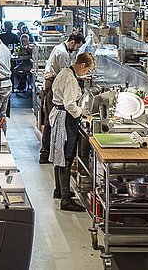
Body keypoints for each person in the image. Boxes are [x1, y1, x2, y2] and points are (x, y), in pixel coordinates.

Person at [51, 52, 96, 211]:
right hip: (66, 118)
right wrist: (81, 112)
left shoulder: (65, 71)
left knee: (59, 155)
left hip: (59, 115)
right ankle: (65, 200)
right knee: (66, 157)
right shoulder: (70, 78)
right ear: (82, 65)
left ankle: (59, 190)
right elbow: (70, 104)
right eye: (87, 70)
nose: (87, 73)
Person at [39, 31, 86, 164]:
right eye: (77, 47)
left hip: (52, 83)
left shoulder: (59, 47)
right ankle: (46, 154)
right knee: (50, 121)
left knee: (49, 119)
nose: (76, 49)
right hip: (52, 84)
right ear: (72, 42)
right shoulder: (63, 53)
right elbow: (65, 73)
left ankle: (48, 153)